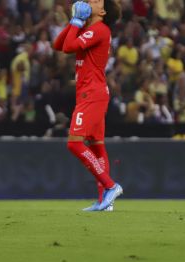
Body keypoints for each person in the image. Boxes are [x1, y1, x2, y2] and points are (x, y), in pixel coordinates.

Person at [53, 0, 123, 211]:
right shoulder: (88, 28)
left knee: (74, 143)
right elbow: (58, 44)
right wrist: (74, 22)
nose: (88, 1)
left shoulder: (100, 30)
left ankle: (111, 186)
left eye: (95, 1)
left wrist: (76, 22)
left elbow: (68, 48)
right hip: (92, 93)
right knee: (97, 146)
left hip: (92, 94)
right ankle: (104, 201)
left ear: (102, 11)